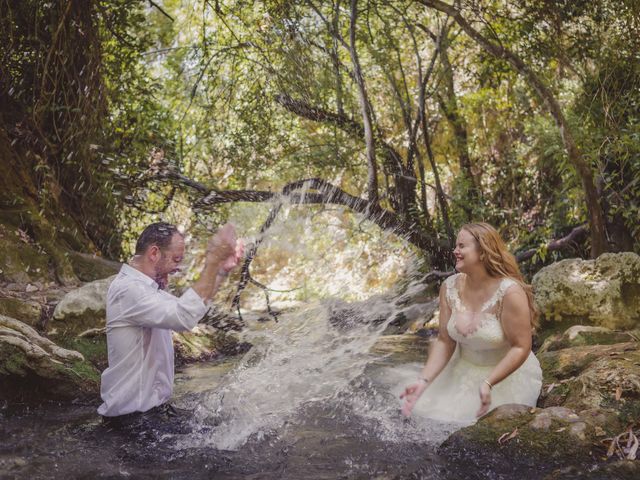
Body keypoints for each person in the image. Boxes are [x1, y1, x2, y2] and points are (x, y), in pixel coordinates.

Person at [98, 221, 243, 423]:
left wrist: (220, 270)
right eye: (175, 260)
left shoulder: (146, 289)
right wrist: (212, 261)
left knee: (223, 425)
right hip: (131, 422)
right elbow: (183, 317)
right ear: (154, 253)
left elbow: (189, 310)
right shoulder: (129, 290)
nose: (177, 268)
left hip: (153, 414)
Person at [400, 222, 542, 424]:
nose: (455, 251)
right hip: (459, 372)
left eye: (461, 246)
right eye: (456, 246)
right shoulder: (449, 287)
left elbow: (521, 347)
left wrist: (488, 383)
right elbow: (445, 341)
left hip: (503, 378)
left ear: (483, 252)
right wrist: (423, 381)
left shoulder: (509, 292)